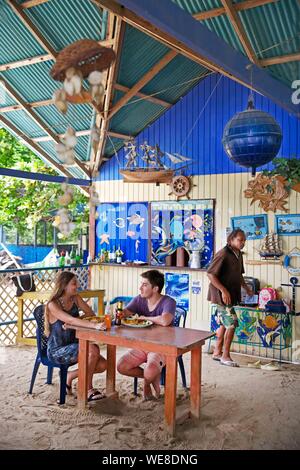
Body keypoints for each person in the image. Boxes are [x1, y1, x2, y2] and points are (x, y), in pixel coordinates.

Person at [45, 271, 107, 401]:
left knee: (103, 365)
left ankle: (70, 376)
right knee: (93, 349)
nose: (77, 285)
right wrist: (93, 326)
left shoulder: (75, 298)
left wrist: (76, 319)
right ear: (64, 286)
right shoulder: (53, 304)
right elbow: (72, 320)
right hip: (58, 350)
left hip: (75, 344)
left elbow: (90, 312)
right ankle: (87, 389)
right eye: (74, 283)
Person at [117, 270, 176, 400]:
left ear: (155, 288)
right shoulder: (139, 299)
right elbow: (126, 311)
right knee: (121, 366)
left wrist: (144, 317)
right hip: (142, 345)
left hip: (162, 346)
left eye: (144, 285)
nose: (140, 288)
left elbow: (165, 321)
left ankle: (147, 382)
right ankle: (151, 377)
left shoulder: (168, 301)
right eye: (141, 284)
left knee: (150, 370)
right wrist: (121, 313)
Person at [207, 229, 253, 367]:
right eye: (240, 240)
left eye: (244, 240)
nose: (243, 242)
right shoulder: (223, 254)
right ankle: (225, 356)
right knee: (232, 324)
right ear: (231, 239)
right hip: (221, 295)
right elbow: (210, 274)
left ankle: (217, 352)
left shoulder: (239, 254)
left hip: (231, 294)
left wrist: (247, 288)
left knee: (223, 324)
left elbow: (239, 275)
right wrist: (223, 290)